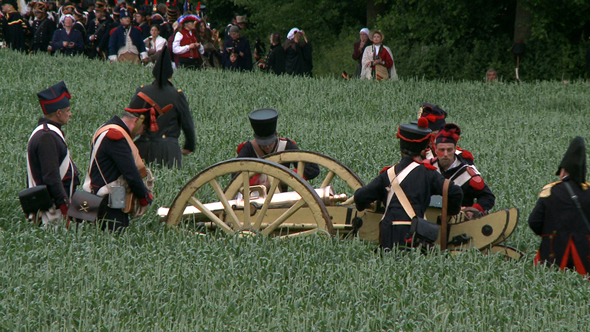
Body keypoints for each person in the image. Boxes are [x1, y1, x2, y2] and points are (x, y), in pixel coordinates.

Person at [354, 117, 463, 250]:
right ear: (424, 149)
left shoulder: (388, 174)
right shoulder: (429, 174)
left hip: (390, 236)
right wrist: (448, 214)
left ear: (401, 148)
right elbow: (455, 192)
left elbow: (360, 198)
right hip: (417, 236)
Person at [83, 97, 155, 231]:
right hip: (108, 200)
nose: (140, 134)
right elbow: (131, 173)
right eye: (143, 129)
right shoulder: (116, 136)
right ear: (137, 121)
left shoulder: (107, 128)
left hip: (99, 196)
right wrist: (144, 197)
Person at [528, 136, 590, 276]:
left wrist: (548, 234)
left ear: (563, 171)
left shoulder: (551, 191)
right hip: (585, 256)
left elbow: (534, 222)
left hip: (552, 252)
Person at [26, 81, 80, 226]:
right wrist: (64, 207)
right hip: (51, 211)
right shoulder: (46, 136)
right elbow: (51, 177)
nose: (70, 114)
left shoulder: (48, 133)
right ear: (58, 113)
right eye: (68, 110)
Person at [134, 46, 196, 168]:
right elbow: (187, 123)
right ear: (170, 75)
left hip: (143, 147)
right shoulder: (177, 95)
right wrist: (189, 146)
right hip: (169, 150)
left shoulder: (142, 91)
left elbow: (130, 119)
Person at [426, 123, 495, 219]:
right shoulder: (427, 168)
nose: (445, 154)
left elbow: (488, 197)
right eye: (442, 150)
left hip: (460, 225)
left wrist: (473, 210)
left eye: (449, 150)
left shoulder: (467, 173)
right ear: (436, 150)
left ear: (455, 149)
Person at [237, 108, 320, 186]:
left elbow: (312, 168)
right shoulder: (248, 148)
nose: (267, 146)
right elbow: (236, 176)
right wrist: (257, 181)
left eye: (270, 142)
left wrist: (285, 177)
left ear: (276, 135)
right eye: (263, 144)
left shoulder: (286, 146)